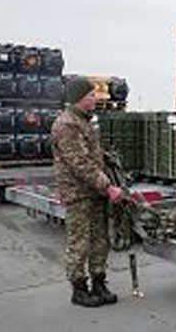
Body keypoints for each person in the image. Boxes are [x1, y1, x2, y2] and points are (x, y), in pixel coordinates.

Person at [51, 76, 124, 307]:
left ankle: (99, 283)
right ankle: (79, 289)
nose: (95, 99)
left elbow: (93, 157)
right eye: (91, 95)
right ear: (79, 98)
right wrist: (108, 186)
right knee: (79, 243)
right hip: (78, 193)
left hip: (94, 192)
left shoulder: (84, 122)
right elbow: (80, 163)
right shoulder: (67, 125)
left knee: (100, 240)